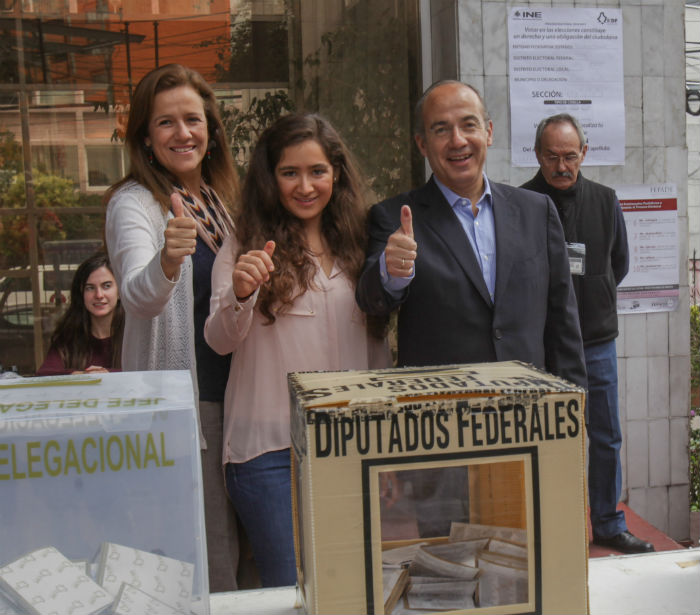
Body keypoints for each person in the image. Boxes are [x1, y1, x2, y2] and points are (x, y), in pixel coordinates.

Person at [205, 112, 390, 587]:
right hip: (270, 454)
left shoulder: (358, 242)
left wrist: (387, 445)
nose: (304, 186)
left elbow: (376, 355)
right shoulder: (243, 243)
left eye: (317, 171)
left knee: (350, 585)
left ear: (337, 174)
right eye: (290, 172)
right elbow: (218, 339)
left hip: (353, 445)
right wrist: (240, 295)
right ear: (270, 178)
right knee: (292, 590)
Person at [104, 64, 243, 591]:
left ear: (210, 128)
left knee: (256, 544)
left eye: (192, 118)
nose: (183, 133)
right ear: (145, 136)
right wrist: (166, 260)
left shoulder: (223, 196)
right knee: (212, 554)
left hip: (247, 400)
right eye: (166, 123)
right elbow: (138, 298)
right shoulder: (134, 203)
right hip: (192, 408)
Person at [356, 80, 587, 389]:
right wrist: (391, 271)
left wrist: (575, 409)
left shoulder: (537, 211)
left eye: (469, 125)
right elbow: (372, 302)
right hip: (444, 420)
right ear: (422, 144)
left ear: (488, 132)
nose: (458, 140)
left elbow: (563, 325)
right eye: (441, 129)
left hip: (531, 415)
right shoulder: (396, 218)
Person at [521, 113, 653, 554]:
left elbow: (619, 263)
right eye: (553, 156)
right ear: (537, 154)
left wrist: (591, 295)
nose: (562, 166)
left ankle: (609, 523)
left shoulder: (605, 199)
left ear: (584, 153)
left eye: (571, 156)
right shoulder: (519, 203)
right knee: (544, 434)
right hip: (540, 345)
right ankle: (548, 525)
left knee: (605, 434)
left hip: (595, 339)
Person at [37, 251, 124, 376]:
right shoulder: (69, 336)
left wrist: (108, 374)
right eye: (90, 288)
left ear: (120, 291)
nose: (99, 295)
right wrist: (79, 375)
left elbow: (148, 372)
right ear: (81, 293)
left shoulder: (133, 334)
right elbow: (44, 375)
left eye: (106, 286)